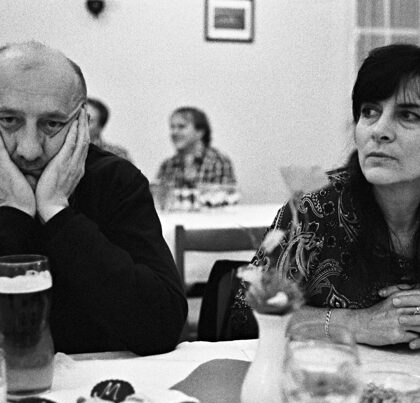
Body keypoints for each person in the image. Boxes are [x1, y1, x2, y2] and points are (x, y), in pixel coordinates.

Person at [0, 41, 187, 355]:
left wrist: (57, 213)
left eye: (52, 124)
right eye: (8, 120)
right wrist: (14, 213)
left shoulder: (115, 179)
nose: (29, 150)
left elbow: (162, 326)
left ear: (81, 123)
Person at [232, 43, 420, 350]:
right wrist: (356, 323)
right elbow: (246, 313)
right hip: (326, 374)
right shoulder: (316, 205)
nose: (379, 130)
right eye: (369, 112)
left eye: (408, 115)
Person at [156, 107, 236, 188]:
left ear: (200, 132)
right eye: (172, 127)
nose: (174, 132)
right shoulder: (167, 165)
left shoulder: (218, 162)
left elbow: (224, 194)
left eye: (181, 127)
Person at [87, 97, 132, 161]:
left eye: (88, 121)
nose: (80, 124)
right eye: (77, 118)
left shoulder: (116, 156)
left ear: (100, 127)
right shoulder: (71, 152)